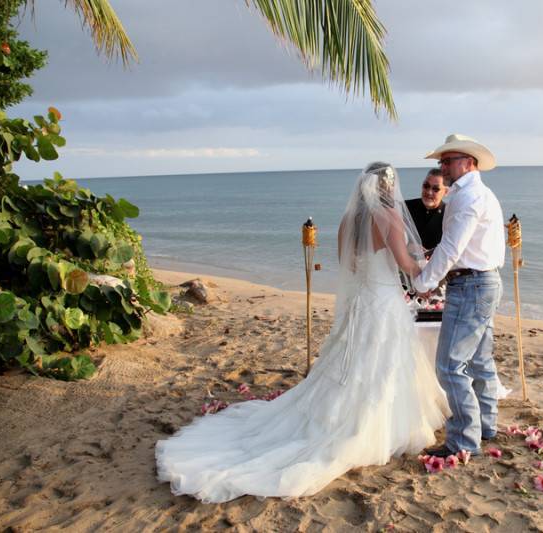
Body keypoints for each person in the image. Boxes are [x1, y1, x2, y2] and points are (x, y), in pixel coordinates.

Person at [156, 162, 449, 502]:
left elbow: (349, 265)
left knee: (351, 363)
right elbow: (407, 266)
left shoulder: (349, 220)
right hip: (383, 302)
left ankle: (336, 416)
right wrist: (430, 270)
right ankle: (370, 427)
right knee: (382, 364)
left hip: (361, 303)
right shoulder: (390, 217)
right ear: (390, 187)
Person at [412, 134, 505, 458]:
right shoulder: (480, 194)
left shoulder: (470, 198)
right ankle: (486, 426)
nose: (443, 166)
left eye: (448, 160)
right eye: (442, 161)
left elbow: (453, 248)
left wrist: (425, 281)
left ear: (468, 162)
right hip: (485, 281)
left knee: (451, 366)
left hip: (472, 285)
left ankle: (464, 441)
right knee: (480, 360)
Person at [405, 169, 448, 257]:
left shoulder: (450, 214)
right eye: (426, 186)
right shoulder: (405, 207)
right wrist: (406, 247)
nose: (429, 192)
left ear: (446, 192)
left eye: (436, 189)